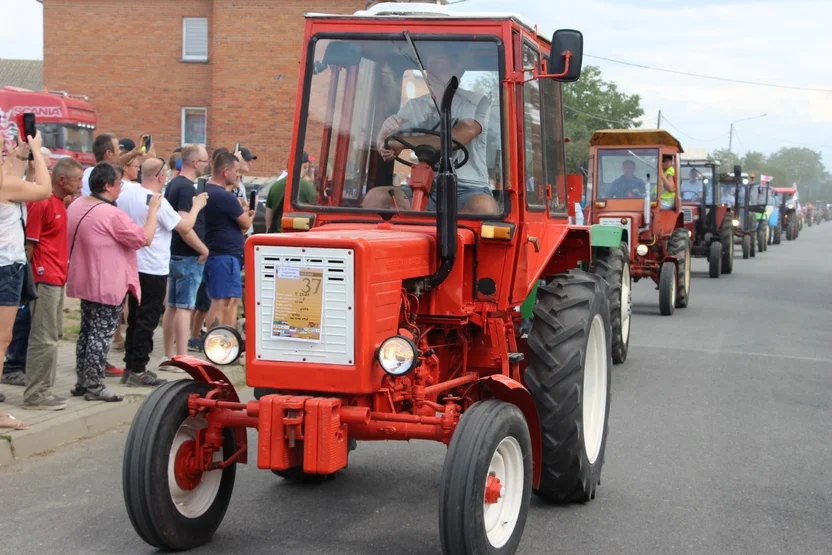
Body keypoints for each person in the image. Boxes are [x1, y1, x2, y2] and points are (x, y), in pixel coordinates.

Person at [67, 163, 163, 401]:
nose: (121, 188)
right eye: (119, 184)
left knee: (87, 332)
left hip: (84, 277)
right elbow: (144, 238)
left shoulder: (78, 204)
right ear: (108, 186)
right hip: (107, 282)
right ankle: (95, 386)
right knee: (101, 334)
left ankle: (83, 381)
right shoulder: (112, 214)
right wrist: (153, 210)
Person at [371, 51, 498, 214]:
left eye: (439, 64)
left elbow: (458, 136)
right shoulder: (414, 107)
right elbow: (389, 146)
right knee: (376, 199)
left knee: (483, 207)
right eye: (429, 66)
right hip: (423, 183)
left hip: (468, 187)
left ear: (458, 70)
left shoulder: (478, 102)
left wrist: (401, 141)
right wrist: (384, 136)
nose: (431, 71)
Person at [118, 158, 207, 385]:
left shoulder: (128, 194)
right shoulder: (157, 201)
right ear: (161, 177)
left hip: (132, 264)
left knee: (135, 318)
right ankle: (138, 369)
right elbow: (185, 227)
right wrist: (196, 206)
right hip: (153, 266)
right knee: (147, 320)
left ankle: (130, 366)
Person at [22, 157, 84, 410]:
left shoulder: (59, 202)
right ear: (61, 180)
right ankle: (36, 395)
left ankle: (43, 389)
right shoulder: (43, 203)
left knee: (51, 336)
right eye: (77, 180)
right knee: (44, 338)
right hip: (44, 278)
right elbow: (29, 244)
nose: (81, 185)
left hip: (56, 277)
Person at [0, 131, 51, 429]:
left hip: (9, 264)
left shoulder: (6, 179)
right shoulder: (4, 184)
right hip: (5, 267)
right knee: (2, 340)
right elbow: (43, 189)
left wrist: (21, 154)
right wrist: (36, 151)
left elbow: (12, 173)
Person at [162, 144, 211, 359]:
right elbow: (184, 226)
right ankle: (182, 356)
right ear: (195, 162)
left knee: (173, 306)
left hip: (175, 253)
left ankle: (168, 354)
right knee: (184, 307)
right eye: (205, 160)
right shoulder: (185, 188)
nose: (208, 164)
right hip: (187, 255)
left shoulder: (174, 184)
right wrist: (203, 249)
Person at [203, 152, 254, 328]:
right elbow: (245, 223)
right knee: (222, 302)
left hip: (216, 253)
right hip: (224, 255)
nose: (237, 175)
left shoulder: (206, 191)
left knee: (227, 300)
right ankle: (218, 342)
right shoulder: (224, 196)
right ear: (225, 171)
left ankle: (223, 340)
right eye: (235, 170)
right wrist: (248, 215)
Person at [81, 133, 148, 197]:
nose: (120, 152)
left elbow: (119, 163)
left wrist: (135, 152)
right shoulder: (113, 182)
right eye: (118, 149)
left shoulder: (86, 173)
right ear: (109, 153)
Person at [266, 151, 317, 232]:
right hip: (298, 237)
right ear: (305, 166)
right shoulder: (308, 187)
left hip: (276, 236)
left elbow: (268, 217)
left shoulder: (275, 186)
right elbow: (316, 214)